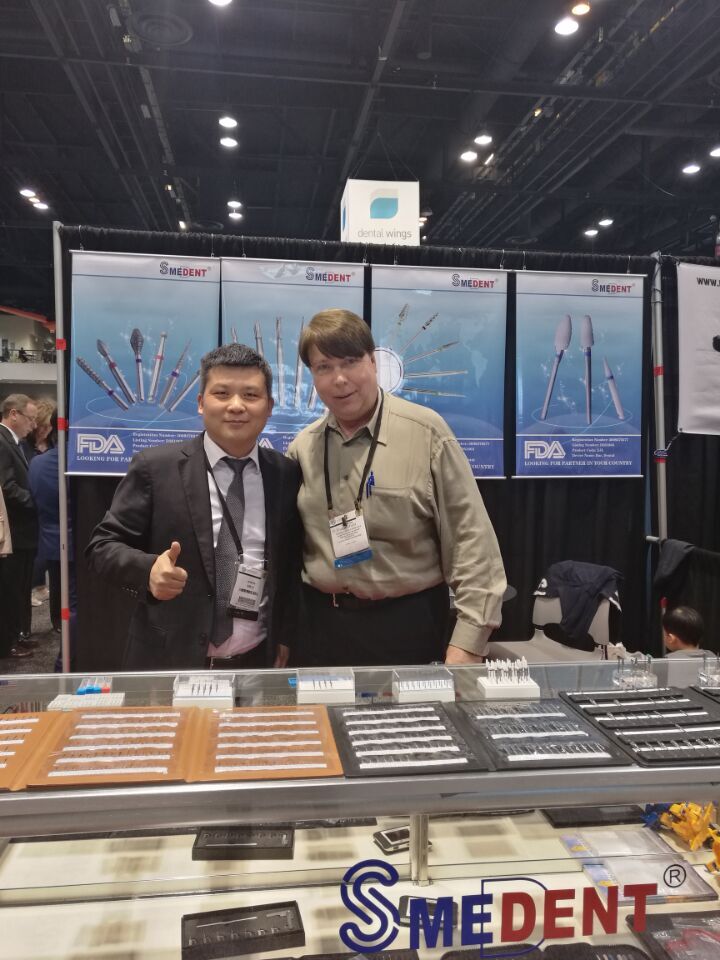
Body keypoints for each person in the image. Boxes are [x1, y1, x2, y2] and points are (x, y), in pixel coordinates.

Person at [287, 309, 506, 667]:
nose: (339, 379)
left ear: (373, 362)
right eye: (324, 367)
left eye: (350, 362)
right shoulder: (302, 448)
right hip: (320, 630)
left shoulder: (427, 434)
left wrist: (469, 643)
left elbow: (472, 543)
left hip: (407, 629)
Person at [87, 344, 302, 670]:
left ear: (269, 406)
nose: (236, 406)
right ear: (201, 402)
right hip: (170, 660)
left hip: (257, 660)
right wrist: (148, 570)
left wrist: (285, 635)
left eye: (250, 395)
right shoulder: (156, 468)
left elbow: (289, 566)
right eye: (222, 393)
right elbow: (101, 547)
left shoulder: (284, 474)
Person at [28, 410, 76, 667]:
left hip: (50, 541)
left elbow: (34, 501)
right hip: (80, 543)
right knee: (77, 607)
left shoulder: (37, 463)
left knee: (62, 599)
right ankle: (65, 661)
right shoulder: (81, 463)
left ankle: (64, 653)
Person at [0, 393, 39, 659]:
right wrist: (36, 502)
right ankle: (8, 642)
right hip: (13, 531)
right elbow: (7, 487)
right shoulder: (2, 442)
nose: (33, 425)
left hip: (23, 532)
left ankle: (17, 635)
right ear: (13, 414)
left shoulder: (14, 443)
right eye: (30, 419)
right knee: (10, 589)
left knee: (20, 588)